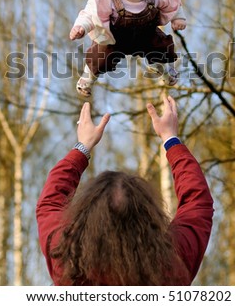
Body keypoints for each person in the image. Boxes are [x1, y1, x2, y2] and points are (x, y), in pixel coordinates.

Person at [36, 95, 213, 286]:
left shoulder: (66, 261)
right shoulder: (172, 264)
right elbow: (198, 202)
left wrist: (83, 146)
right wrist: (170, 139)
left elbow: (50, 202)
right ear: (149, 216)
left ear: (87, 215)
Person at [69, 0, 187, 96]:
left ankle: (162, 69)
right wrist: (81, 27)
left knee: (162, 49)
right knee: (99, 58)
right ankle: (88, 76)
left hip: (146, 35)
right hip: (114, 39)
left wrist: (178, 17)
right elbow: (90, 13)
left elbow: (172, 1)